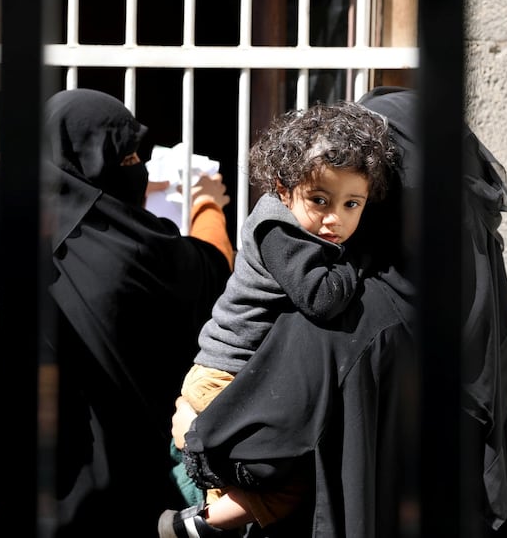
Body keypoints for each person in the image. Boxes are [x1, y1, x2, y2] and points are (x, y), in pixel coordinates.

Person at [162, 87, 507, 538]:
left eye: (359, 199)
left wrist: (200, 436)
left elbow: (264, 445)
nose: (341, 216)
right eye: (322, 198)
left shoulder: (354, 312)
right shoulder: (479, 303)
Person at [163, 100, 398, 533]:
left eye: (352, 205)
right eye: (320, 200)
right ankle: (190, 526)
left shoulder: (306, 227)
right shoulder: (277, 228)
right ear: (282, 187)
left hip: (245, 376)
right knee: (271, 483)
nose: (334, 219)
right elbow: (323, 298)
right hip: (225, 376)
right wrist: (362, 257)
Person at [41, 88, 235, 537]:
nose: (138, 170)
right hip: (124, 482)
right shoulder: (137, 248)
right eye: (125, 158)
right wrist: (207, 203)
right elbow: (209, 268)